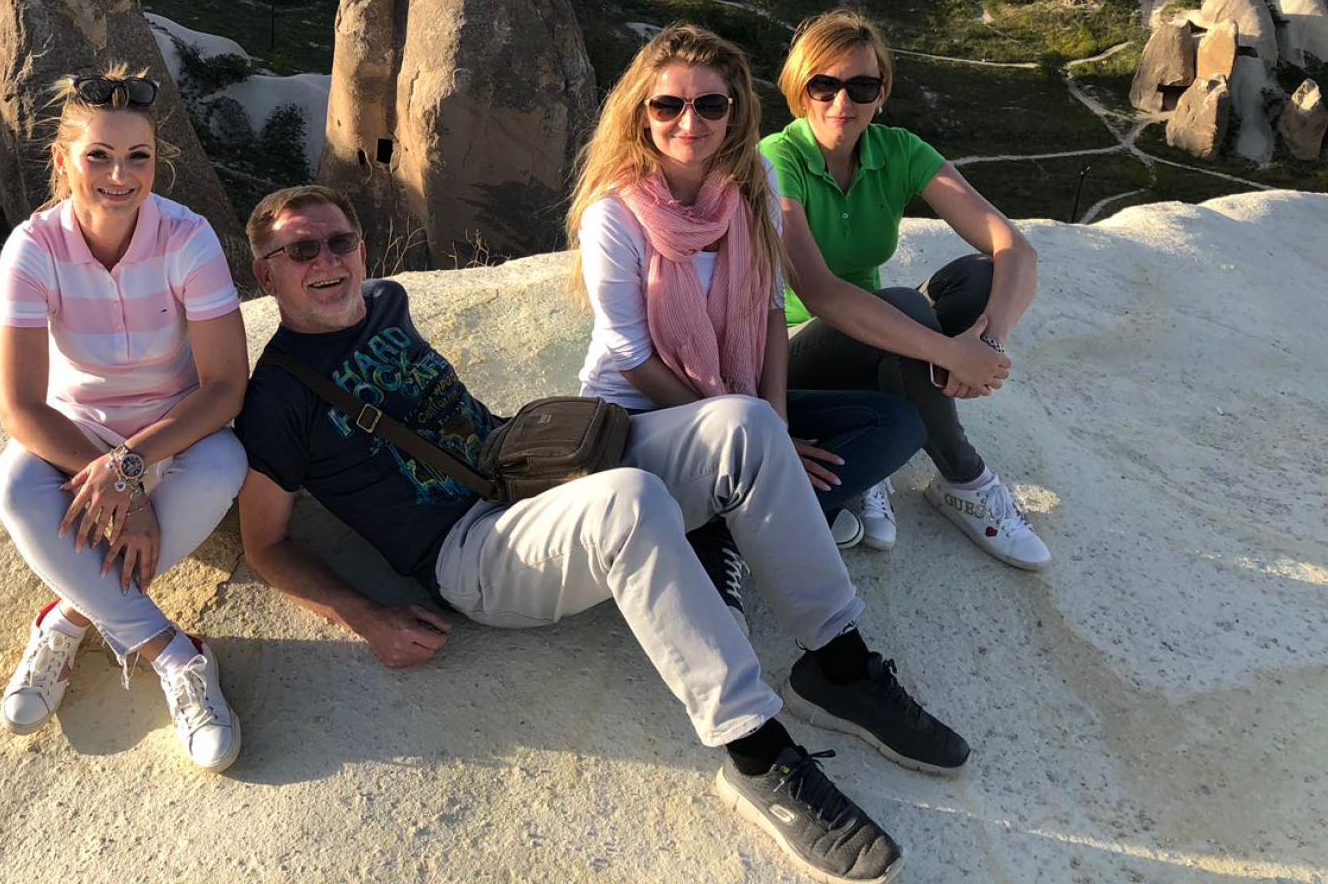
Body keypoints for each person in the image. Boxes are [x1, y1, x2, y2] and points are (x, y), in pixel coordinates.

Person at [236, 182, 970, 884]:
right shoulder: (278, 395)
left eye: (340, 242)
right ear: (267, 274)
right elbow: (265, 543)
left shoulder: (387, 301)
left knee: (745, 425)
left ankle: (837, 663)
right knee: (631, 502)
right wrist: (366, 616)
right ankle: (755, 751)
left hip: (522, 468)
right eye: (301, 251)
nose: (327, 261)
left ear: (363, 250)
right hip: (471, 550)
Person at [568, 24, 925, 598]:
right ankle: (743, 519)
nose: (690, 123)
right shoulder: (615, 215)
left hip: (737, 397)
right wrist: (746, 435)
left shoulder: (756, 183)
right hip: (641, 416)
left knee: (897, 425)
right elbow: (630, 357)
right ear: (642, 114)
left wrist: (773, 425)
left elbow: (770, 309)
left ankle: (728, 517)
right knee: (752, 453)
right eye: (668, 105)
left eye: (710, 104)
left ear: (734, 111)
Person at [0, 65, 250, 771]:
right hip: (78, 436)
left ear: (157, 161)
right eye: (98, 155)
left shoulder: (187, 237)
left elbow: (226, 387)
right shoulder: (34, 248)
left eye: (138, 156)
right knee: (12, 485)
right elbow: (20, 406)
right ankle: (175, 653)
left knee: (225, 461)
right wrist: (118, 484)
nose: (119, 175)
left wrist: (132, 467)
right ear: (62, 159)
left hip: (172, 430)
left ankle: (69, 613)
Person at [764, 10, 1050, 568]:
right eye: (823, 85)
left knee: (979, 277)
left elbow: (1015, 249)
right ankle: (966, 481)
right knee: (905, 308)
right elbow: (818, 291)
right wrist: (950, 354)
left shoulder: (897, 151)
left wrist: (986, 347)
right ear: (799, 88)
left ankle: (882, 446)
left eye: (860, 86)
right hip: (791, 348)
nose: (841, 102)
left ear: (882, 93)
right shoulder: (777, 158)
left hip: (873, 333)